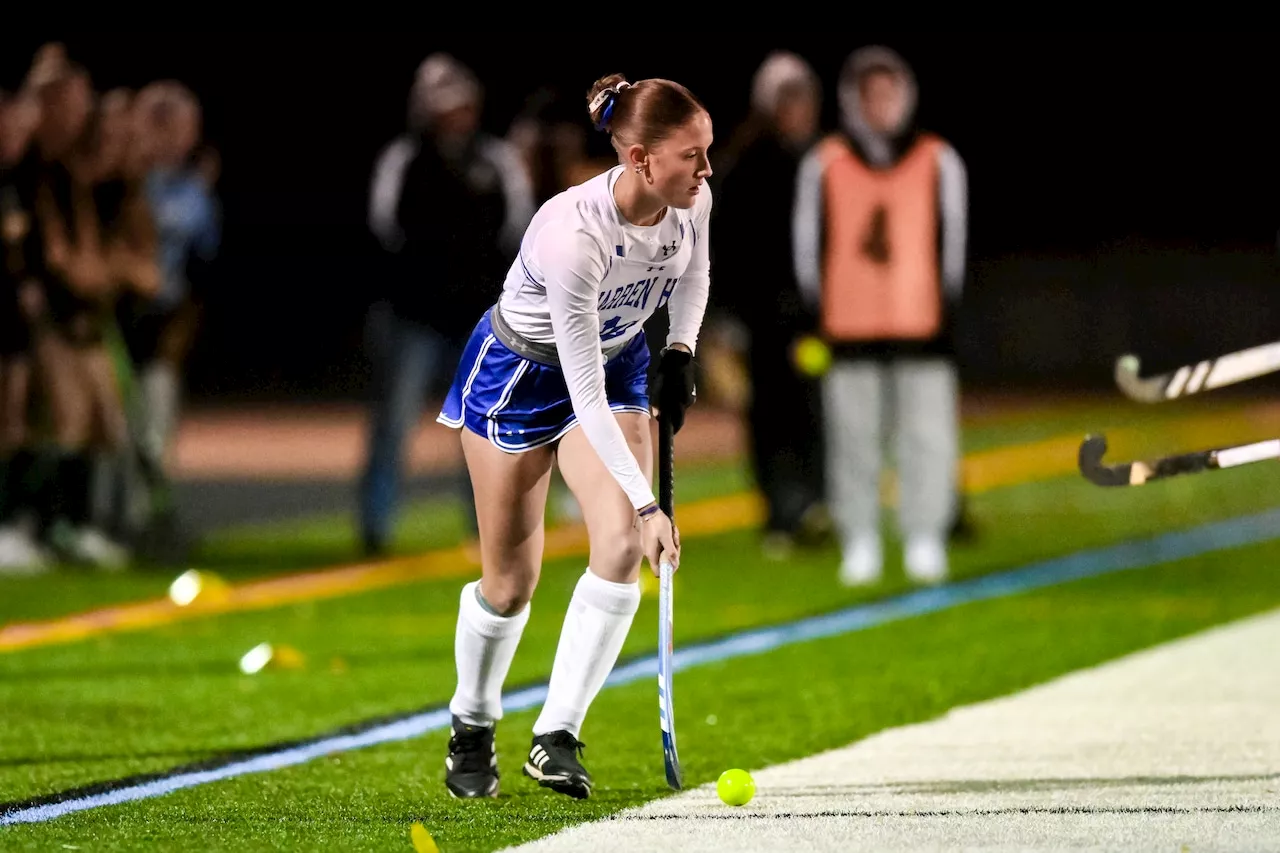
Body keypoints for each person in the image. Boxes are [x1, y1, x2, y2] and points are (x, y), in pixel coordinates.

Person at [434, 72, 713, 800]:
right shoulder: (574, 235)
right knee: (509, 583)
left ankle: (556, 734)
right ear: (641, 159)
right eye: (691, 155)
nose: (706, 169)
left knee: (619, 543)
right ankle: (472, 718)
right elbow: (581, 396)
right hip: (521, 376)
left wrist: (681, 349)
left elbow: (694, 274)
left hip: (617, 358)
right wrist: (653, 504)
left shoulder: (691, 201)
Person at [793, 45, 968, 587]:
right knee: (853, 442)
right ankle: (860, 538)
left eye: (890, 92)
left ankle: (924, 535)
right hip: (849, 330)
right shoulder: (824, 161)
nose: (881, 104)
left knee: (928, 439)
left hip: (922, 330)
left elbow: (954, 244)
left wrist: (945, 314)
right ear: (852, 99)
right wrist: (817, 313)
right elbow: (807, 245)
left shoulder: (939, 157)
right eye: (870, 94)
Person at [359, 53, 533, 557]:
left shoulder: (497, 159)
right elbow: (385, 230)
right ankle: (375, 526)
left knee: (483, 426)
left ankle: (485, 527)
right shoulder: (404, 160)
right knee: (392, 424)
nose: (453, 116)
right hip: (414, 316)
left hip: (478, 319)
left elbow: (518, 233)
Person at [712, 51, 826, 558]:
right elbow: (725, 247)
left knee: (816, 410)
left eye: (803, 98)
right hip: (763, 320)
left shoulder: (825, 160)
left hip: (818, 320)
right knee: (769, 415)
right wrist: (728, 316)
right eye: (787, 99)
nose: (797, 109)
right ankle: (781, 511)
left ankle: (819, 504)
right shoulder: (744, 166)